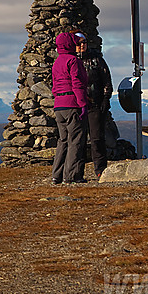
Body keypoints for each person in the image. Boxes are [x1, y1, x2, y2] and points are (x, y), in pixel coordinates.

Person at [51, 29, 89, 183]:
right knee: (75, 141)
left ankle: (56, 175)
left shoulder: (57, 62)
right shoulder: (73, 61)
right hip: (72, 104)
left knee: (63, 141)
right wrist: (83, 104)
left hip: (59, 106)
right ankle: (71, 176)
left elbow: (54, 86)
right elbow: (77, 84)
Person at [77, 38, 113, 177]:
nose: (82, 45)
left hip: (95, 104)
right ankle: (77, 172)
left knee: (97, 138)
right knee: (78, 140)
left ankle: (100, 170)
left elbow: (107, 81)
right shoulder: (72, 60)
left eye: (84, 42)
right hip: (77, 105)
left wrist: (105, 99)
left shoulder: (96, 60)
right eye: (79, 43)